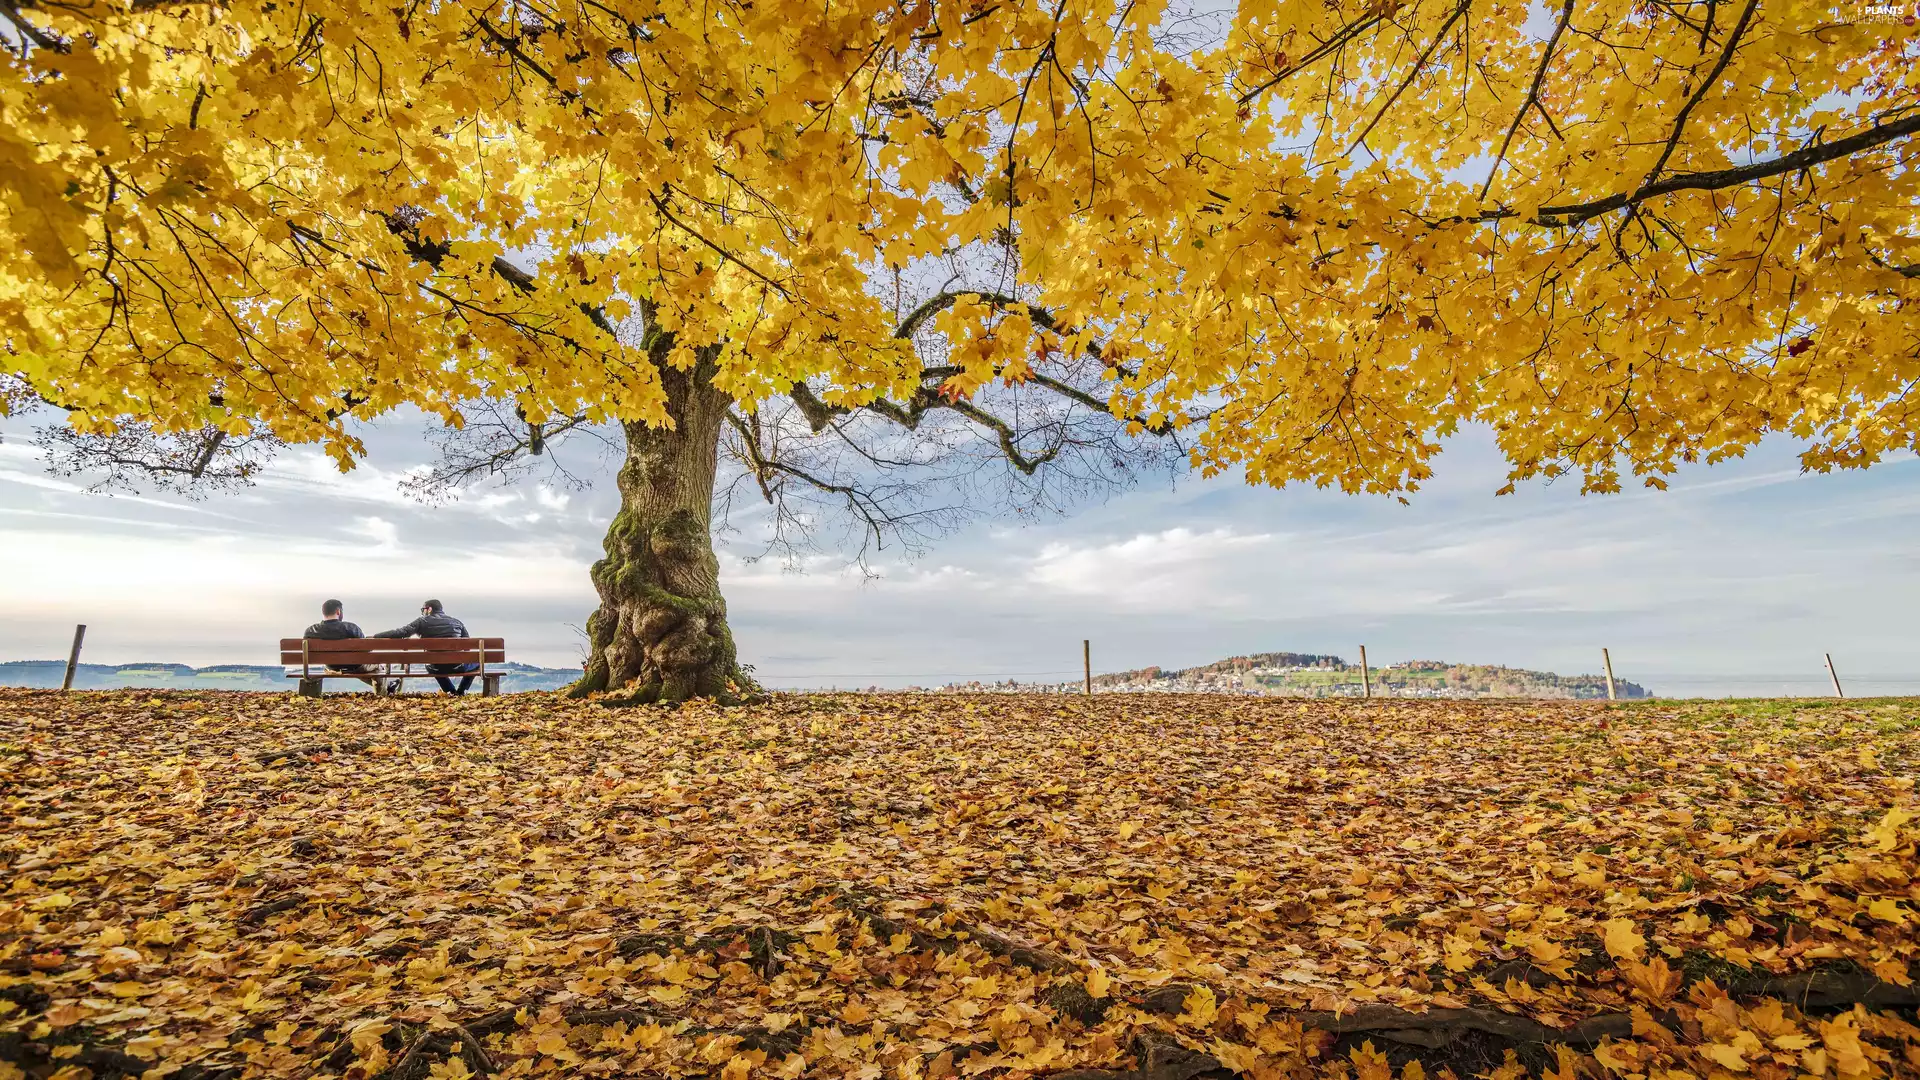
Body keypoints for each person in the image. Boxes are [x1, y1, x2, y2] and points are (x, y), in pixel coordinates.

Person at [375, 599, 478, 695]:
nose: (423, 612)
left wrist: (376, 636)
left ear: (429, 609)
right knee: (477, 663)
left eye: (423, 609)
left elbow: (402, 632)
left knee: (435, 663)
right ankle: (461, 691)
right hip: (457, 666)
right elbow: (467, 646)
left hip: (434, 667)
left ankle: (450, 691)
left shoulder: (422, 621)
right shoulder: (456, 622)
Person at [302, 600, 394, 692]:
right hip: (355, 667)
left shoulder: (310, 631)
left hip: (331, 668)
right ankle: (384, 693)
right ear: (338, 612)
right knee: (377, 668)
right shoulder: (351, 628)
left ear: (323, 612)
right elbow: (366, 649)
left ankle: (389, 686)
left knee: (364, 670)